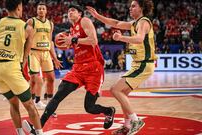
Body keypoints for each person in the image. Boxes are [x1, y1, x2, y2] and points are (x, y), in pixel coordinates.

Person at [23, 4, 115, 134]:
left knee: (89, 107)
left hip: (93, 68)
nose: (70, 12)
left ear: (79, 14)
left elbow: (93, 40)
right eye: (68, 11)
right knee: (57, 97)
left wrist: (73, 39)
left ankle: (109, 111)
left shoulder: (85, 21)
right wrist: (68, 43)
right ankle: (37, 128)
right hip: (77, 68)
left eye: (73, 10)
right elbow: (76, 43)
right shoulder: (71, 30)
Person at [87, 0, 157, 134]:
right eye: (130, 6)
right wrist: (97, 16)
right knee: (122, 93)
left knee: (115, 90)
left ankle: (136, 120)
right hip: (138, 64)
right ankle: (127, 126)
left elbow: (139, 39)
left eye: (133, 6)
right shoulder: (134, 23)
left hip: (143, 64)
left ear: (141, 8)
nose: (130, 8)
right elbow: (116, 23)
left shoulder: (144, 21)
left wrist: (120, 38)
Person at [0, 0, 43, 134]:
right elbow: (25, 56)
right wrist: (20, 69)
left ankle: (19, 133)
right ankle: (40, 133)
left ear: (6, 8)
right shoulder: (27, 28)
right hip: (10, 67)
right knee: (30, 105)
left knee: (13, 103)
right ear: (19, 7)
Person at [26, 2, 62, 110]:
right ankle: (35, 101)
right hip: (34, 52)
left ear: (46, 11)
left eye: (43, 9)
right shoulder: (31, 21)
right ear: (37, 11)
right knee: (35, 79)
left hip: (46, 53)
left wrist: (55, 58)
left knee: (51, 78)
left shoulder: (50, 24)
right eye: (39, 8)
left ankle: (51, 105)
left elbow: (50, 41)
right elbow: (25, 38)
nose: (41, 10)